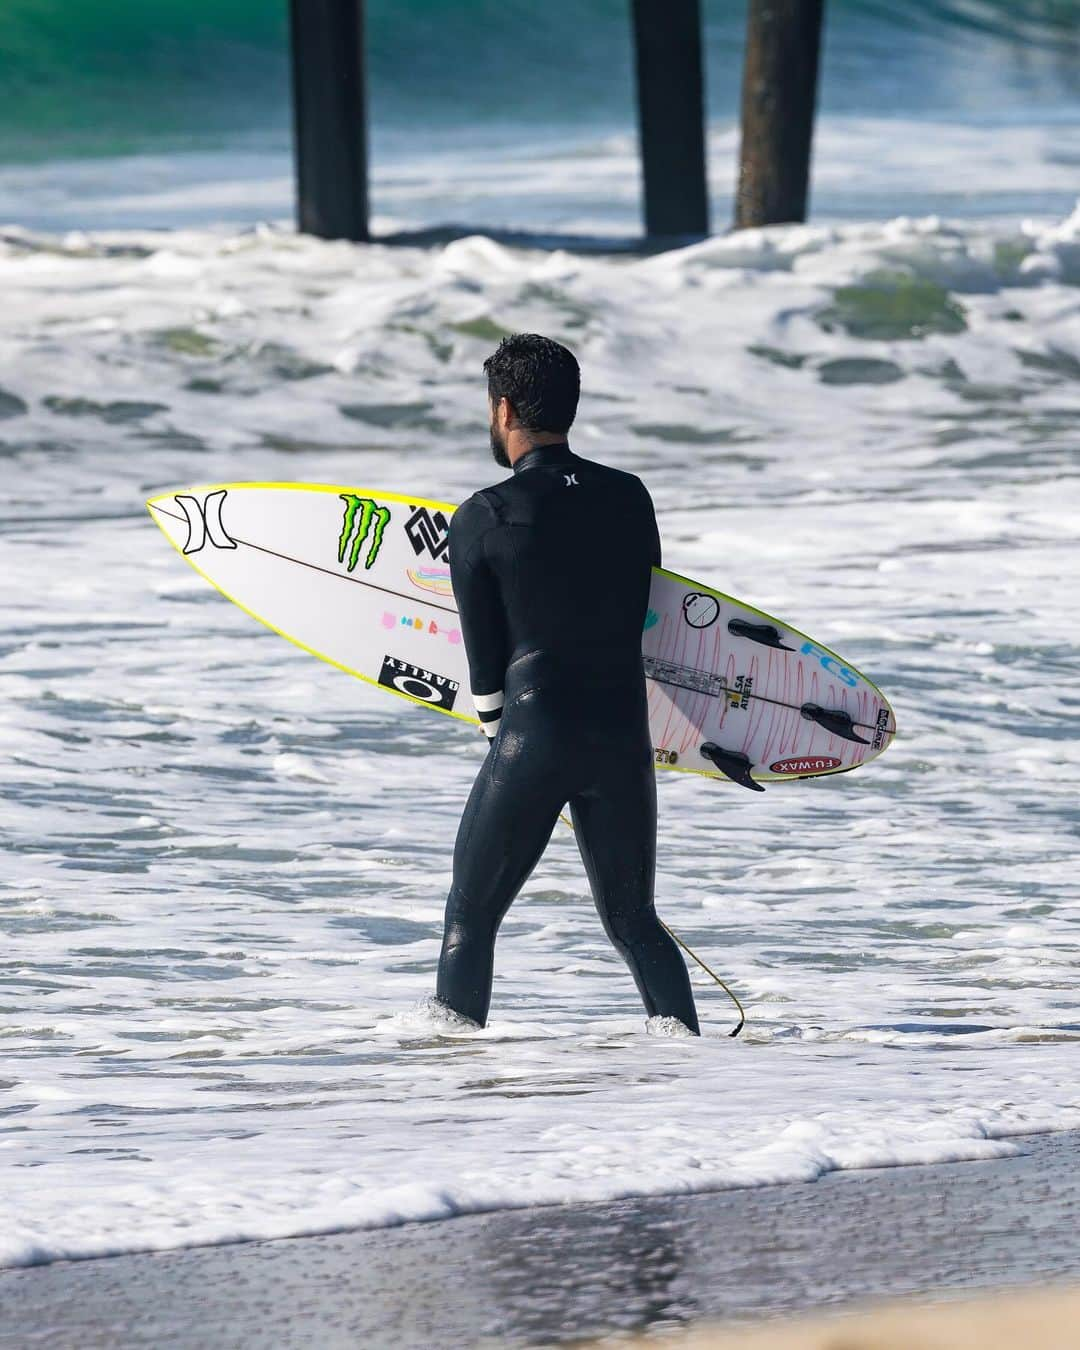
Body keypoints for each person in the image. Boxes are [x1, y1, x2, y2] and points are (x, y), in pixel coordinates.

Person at [434, 333, 699, 1033]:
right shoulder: (629, 498)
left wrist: (504, 742)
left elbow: (485, 667)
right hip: (621, 734)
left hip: (536, 730)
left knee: (471, 916)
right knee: (634, 921)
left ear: (504, 409)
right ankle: (695, 1065)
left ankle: (450, 1077)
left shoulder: (484, 515)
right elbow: (651, 616)